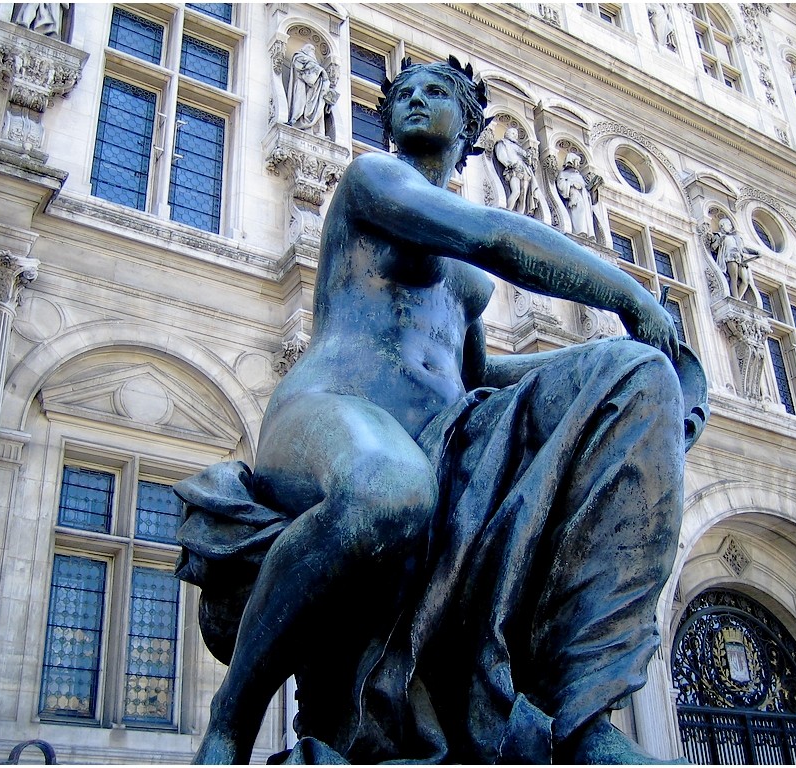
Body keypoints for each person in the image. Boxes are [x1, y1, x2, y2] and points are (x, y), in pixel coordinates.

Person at [178, 57, 688, 765]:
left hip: (437, 432)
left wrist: (604, 370)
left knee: (631, 373)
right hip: (334, 409)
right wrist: (630, 298)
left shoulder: (465, 279)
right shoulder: (374, 181)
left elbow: (477, 376)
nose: (416, 99)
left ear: (469, 127)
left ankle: (580, 717)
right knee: (388, 494)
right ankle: (230, 716)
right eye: (404, 94)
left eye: (436, 92)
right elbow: (491, 234)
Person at [711, 217, 760, 302]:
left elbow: (743, 249)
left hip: (740, 259)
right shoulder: (719, 235)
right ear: (722, 225)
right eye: (729, 225)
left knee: (746, 280)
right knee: (734, 278)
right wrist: (719, 241)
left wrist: (756, 252)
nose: (730, 227)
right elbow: (713, 247)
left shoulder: (736, 237)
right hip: (729, 257)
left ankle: (738, 298)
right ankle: (736, 299)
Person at [494, 126, 539, 216]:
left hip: (524, 170)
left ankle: (520, 215)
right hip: (514, 169)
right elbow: (501, 156)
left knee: (523, 195)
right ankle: (508, 211)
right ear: (507, 134)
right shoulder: (503, 143)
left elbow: (526, 157)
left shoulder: (518, 147)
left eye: (516, 134)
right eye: (513, 133)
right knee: (516, 191)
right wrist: (509, 163)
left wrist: (529, 157)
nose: (515, 136)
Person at [287, 44, 331, 137]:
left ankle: (316, 131)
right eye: (310, 49)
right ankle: (297, 121)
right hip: (302, 87)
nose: (312, 51)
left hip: (316, 92)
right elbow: (307, 76)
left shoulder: (316, 65)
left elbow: (322, 80)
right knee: (301, 104)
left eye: (314, 50)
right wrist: (320, 71)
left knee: (317, 109)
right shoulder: (299, 57)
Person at [555, 152, 596, 237]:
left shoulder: (579, 175)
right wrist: (571, 184)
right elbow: (561, 185)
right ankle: (579, 231)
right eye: (577, 161)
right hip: (574, 197)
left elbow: (585, 187)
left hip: (583, 197)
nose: (578, 164)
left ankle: (586, 233)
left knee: (585, 214)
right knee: (578, 212)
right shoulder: (564, 173)